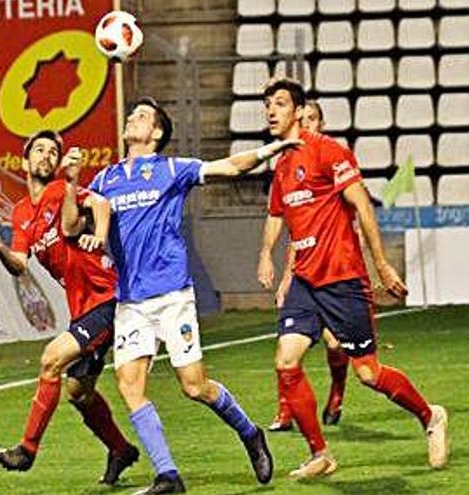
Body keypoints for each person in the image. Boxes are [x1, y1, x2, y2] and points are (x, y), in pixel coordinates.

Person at [87, 97, 297, 494]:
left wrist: (270, 149)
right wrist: (70, 185)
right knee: (129, 386)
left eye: (142, 116)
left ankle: (250, 433)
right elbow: (74, 217)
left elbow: (230, 166)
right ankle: (168, 475)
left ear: (158, 133)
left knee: (194, 387)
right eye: (132, 114)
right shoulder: (106, 179)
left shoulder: (171, 169)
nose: (133, 118)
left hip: (171, 296)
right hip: (130, 301)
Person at [256, 77, 448, 479]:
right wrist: (266, 256)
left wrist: (382, 264)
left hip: (343, 279)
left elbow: (361, 203)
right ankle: (320, 453)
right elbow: (277, 214)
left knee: (368, 373)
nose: (270, 111)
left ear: (297, 110)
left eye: (278, 103)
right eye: (267, 104)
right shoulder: (283, 164)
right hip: (306, 281)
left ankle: (431, 416)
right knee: (286, 361)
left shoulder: (328, 150)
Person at [0, 130, 140, 486]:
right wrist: (0, 248)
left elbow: (99, 202)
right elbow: (19, 265)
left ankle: (27, 449)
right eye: (39, 150)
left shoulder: (58, 191)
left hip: (106, 297)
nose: (47, 155)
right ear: (25, 161)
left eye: (53, 151)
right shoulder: (21, 212)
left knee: (51, 359)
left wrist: (98, 232)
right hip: (82, 307)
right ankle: (120, 450)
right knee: (79, 393)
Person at [269, 99, 351, 432]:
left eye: (312, 119)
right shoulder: (286, 167)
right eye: (302, 119)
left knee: (336, 345)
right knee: (286, 350)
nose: (307, 124)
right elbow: (294, 230)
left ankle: (337, 391)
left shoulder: (331, 160)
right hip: (304, 273)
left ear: (321, 124)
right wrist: (285, 276)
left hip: (335, 271)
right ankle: (285, 411)